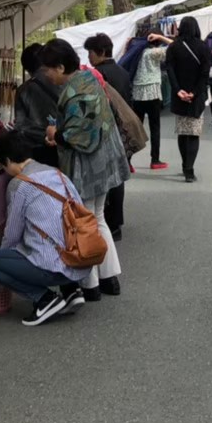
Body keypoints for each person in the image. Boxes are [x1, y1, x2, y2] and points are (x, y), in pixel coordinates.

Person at [38, 39, 125, 298]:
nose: (47, 75)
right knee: (98, 219)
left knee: (83, 222)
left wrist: (56, 133)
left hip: (88, 165)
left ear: (61, 67)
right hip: (106, 159)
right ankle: (110, 279)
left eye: (49, 70)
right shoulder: (89, 79)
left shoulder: (75, 92)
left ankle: (91, 285)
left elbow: (79, 136)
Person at [0, 131, 86, 326]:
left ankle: (44, 299)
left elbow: (11, 236)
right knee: (53, 234)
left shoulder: (19, 185)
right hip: (80, 258)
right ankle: (72, 290)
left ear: (8, 161)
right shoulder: (58, 174)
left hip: (53, 267)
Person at [85, 34, 132, 243]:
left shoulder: (96, 75)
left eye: (91, 53)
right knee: (118, 179)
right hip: (121, 132)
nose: (89, 57)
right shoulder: (122, 71)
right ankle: (116, 223)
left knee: (104, 181)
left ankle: (104, 223)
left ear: (101, 52)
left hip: (103, 133)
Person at [164, 18, 211, 180]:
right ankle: (189, 169)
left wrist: (178, 91)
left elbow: (169, 69)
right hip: (196, 96)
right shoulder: (203, 47)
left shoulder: (174, 47)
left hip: (179, 95)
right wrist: (195, 92)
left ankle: (185, 164)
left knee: (183, 132)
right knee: (193, 133)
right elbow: (205, 73)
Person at [13, 43, 61, 167]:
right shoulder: (63, 80)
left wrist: (45, 136)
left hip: (40, 152)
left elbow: (21, 126)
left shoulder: (23, 90)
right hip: (67, 145)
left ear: (26, 68)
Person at [132, 30, 170, 169]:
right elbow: (175, 46)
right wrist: (161, 37)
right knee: (155, 127)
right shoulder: (155, 53)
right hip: (152, 92)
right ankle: (155, 160)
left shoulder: (137, 52)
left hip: (137, 92)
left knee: (135, 128)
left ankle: (127, 160)